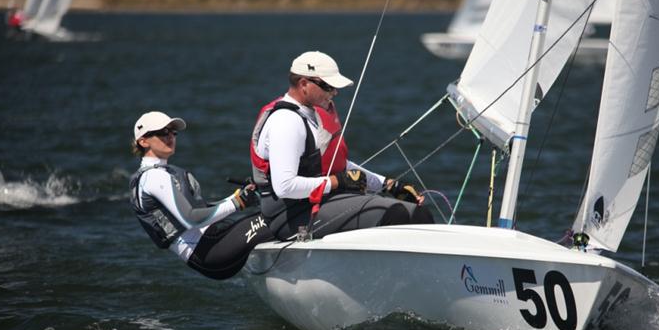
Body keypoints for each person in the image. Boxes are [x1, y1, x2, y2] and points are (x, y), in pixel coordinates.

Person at [250, 50, 434, 241]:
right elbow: (285, 187)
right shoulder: (286, 121)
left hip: (319, 203)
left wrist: (388, 185)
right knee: (393, 213)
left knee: (418, 214)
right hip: (289, 216)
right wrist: (338, 182)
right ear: (304, 84)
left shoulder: (308, 116)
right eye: (329, 86)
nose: (335, 92)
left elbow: (337, 164)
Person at [130, 111, 273, 279]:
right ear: (143, 141)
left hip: (212, 244)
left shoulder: (161, 172)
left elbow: (201, 211)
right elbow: (191, 219)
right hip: (209, 252)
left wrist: (239, 196)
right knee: (274, 217)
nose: (170, 137)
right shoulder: (154, 177)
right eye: (162, 133)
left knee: (271, 214)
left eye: (173, 132)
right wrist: (237, 202)